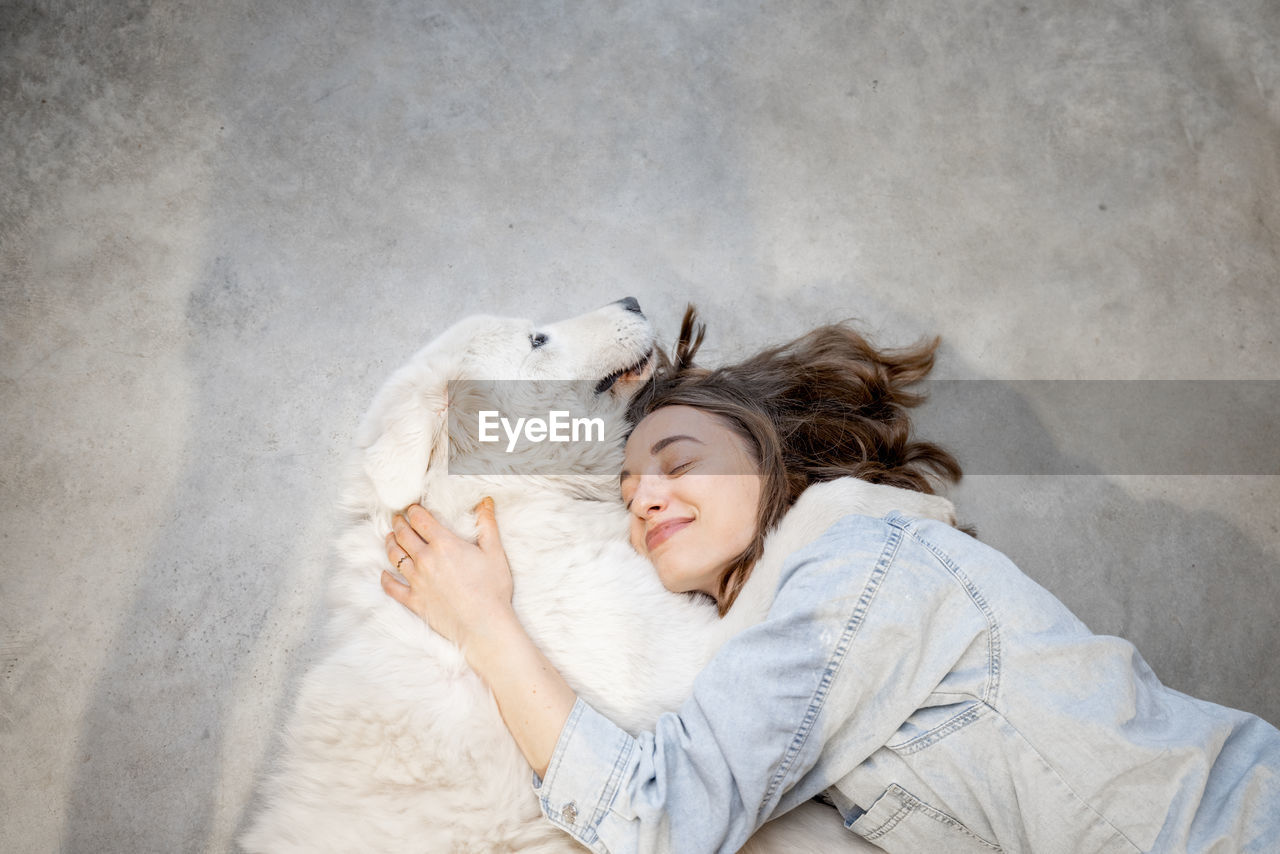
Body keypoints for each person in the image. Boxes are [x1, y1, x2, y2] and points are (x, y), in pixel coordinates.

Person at [380, 313, 1280, 853]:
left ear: (762, 448)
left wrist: (486, 628)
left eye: (676, 459)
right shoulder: (807, 622)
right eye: (625, 494)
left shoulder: (856, 569)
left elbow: (662, 823)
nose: (644, 500)